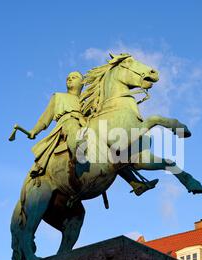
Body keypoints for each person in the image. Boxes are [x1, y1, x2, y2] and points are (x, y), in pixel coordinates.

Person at [28, 71, 157, 196]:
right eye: (68, 77)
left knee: (113, 153)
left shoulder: (85, 103)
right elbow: (45, 118)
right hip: (67, 122)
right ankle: (78, 155)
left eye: (74, 77)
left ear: (82, 83)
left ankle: (136, 183)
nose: (70, 79)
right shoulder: (58, 96)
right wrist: (35, 130)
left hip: (85, 125)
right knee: (73, 128)